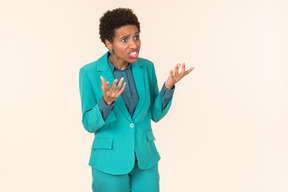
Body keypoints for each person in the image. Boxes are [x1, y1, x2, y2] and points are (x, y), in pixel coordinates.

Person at [79, 7, 194, 192]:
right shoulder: (89, 73)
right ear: (109, 44)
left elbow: (155, 114)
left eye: (136, 37)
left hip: (145, 161)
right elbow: (88, 124)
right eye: (124, 40)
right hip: (109, 162)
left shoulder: (146, 67)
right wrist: (106, 103)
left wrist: (169, 86)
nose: (134, 44)